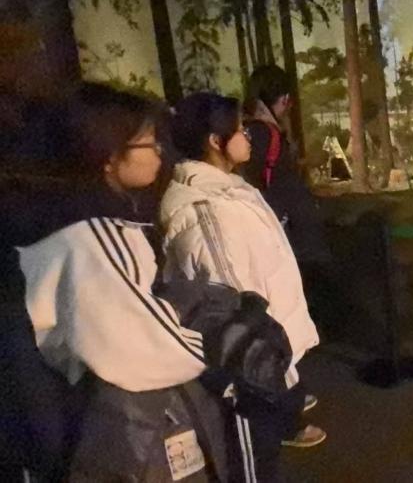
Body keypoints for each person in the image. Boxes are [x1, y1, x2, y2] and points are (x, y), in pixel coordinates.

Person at [8, 83, 243, 481]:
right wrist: (227, 352)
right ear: (107, 155)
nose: (159, 152)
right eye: (148, 143)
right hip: (99, 430)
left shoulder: (68, 217)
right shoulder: (90, 235)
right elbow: (142, 341)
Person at [160, 93, 326, 480]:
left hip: (263, 356)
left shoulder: (228, 190)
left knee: (265, 456)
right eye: (239, 130)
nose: (248, 137)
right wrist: (268, 373)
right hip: (247, 373)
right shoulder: (205, 210)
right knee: (253, 465)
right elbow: (229, 306)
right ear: (215, 141)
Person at [243, 65, 327, 262]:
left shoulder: (246, 132)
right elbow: (284, 185)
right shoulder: (268, 134)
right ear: (285, 99)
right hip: (287, 236)